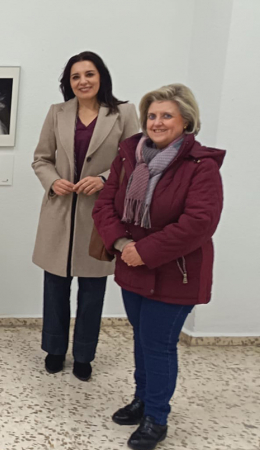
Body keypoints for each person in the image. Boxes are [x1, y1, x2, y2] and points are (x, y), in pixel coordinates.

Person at [93, 84, 224, 450]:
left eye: (166, 115)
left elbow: (199, 222)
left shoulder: (202, 165)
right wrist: (122, 244)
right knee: (141, 336)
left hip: (175, 271)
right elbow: (105, 205)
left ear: (186, 120)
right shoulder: (129, 155)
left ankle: (156, 417)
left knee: (159, 344)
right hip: (133, 263)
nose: (157, 122)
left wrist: (145, 251)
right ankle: (142, 399)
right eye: (152, 115)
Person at [31, 51, 140, 381]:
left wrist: (105, 179)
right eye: (76, 77)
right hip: (59, 213)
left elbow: (136, 161)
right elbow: (41, 159)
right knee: (55, 288)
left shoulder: (123, 113)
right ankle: (53, 349)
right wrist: (53, 180)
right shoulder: (57, 113)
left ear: (101, 76)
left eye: (89, 74)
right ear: (68, 83)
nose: (83, 81)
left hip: (100, 215)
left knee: (92, 293)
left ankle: (84, 356)